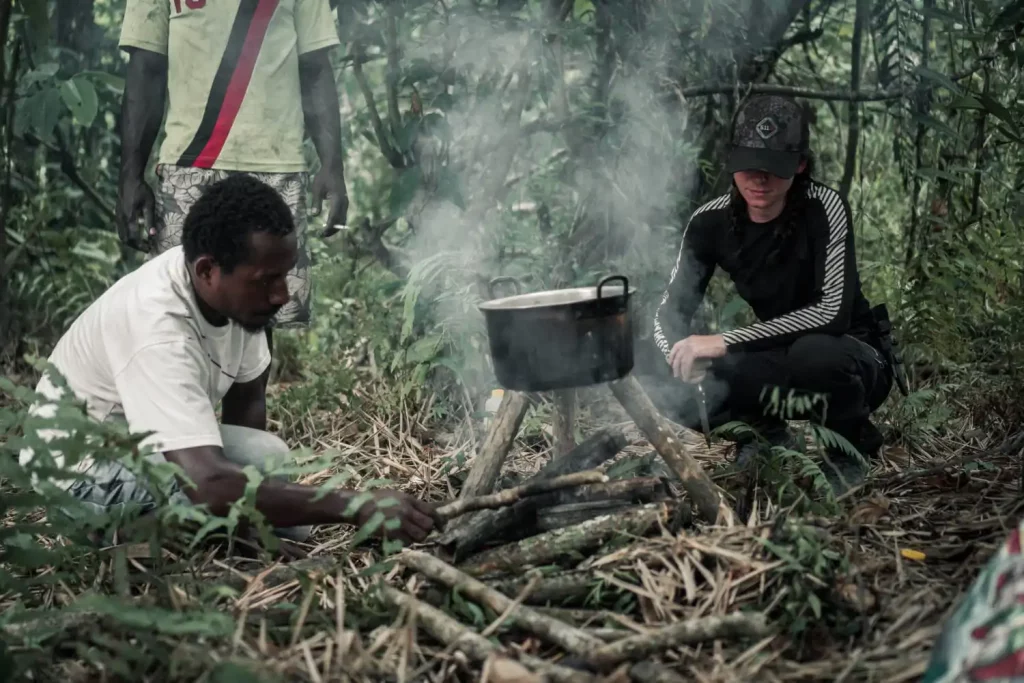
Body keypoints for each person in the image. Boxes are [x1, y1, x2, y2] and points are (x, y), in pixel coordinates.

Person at [20, 175, 437, 546]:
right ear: (207, 271)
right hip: (80, 471)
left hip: (143, 446)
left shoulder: (239, 300)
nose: (282, 296)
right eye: (267, 281)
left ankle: (197, 534)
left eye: (284, 275)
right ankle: (111, 534)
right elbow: (209, 484)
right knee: (232, 505)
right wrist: (354, 505)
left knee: (270, 461)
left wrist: (254, 509)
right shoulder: (156, 323)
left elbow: (247, 403)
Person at [652, 94, 893, 495]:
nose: (760, 178)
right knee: (652, 367)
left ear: (799, 165)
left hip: (851, 358)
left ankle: (850, 448)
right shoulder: (709, 222)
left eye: (775, 166)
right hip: (778, 360)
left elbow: (831, 312)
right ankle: (763, 434)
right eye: (750, 164)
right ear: (732, 160)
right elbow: (668, 311)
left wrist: (722, 340)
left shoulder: (825, 207)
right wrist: (674, 354)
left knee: (814, 353)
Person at [116, 0, 349, 351]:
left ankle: (247, 407)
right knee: (177, 314)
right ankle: (185, 406)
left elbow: (314, 66)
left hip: (275, 163)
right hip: (190, 165)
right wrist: (130, 177)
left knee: (259, 315)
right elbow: (146, 66)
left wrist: (332, 167)